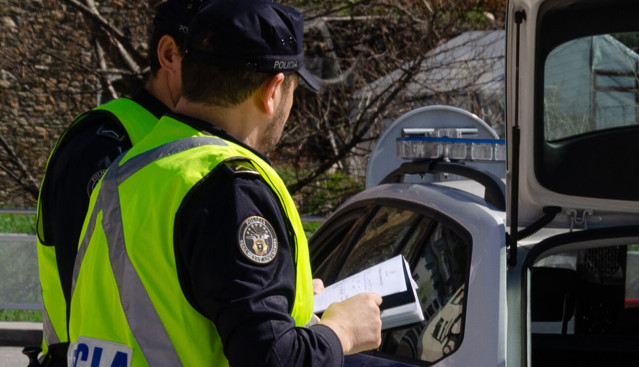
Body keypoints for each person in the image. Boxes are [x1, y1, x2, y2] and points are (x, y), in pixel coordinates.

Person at [67, 0, 383, 366]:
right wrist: (342, 331)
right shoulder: (229, 188)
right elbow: (272, 359)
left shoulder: (127, 170)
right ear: (273, 90)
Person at [33, 1, 211, 365]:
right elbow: (95, 291)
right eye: (217, 59)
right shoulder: (102, 144)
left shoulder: (200, 147)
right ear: (169, 55)